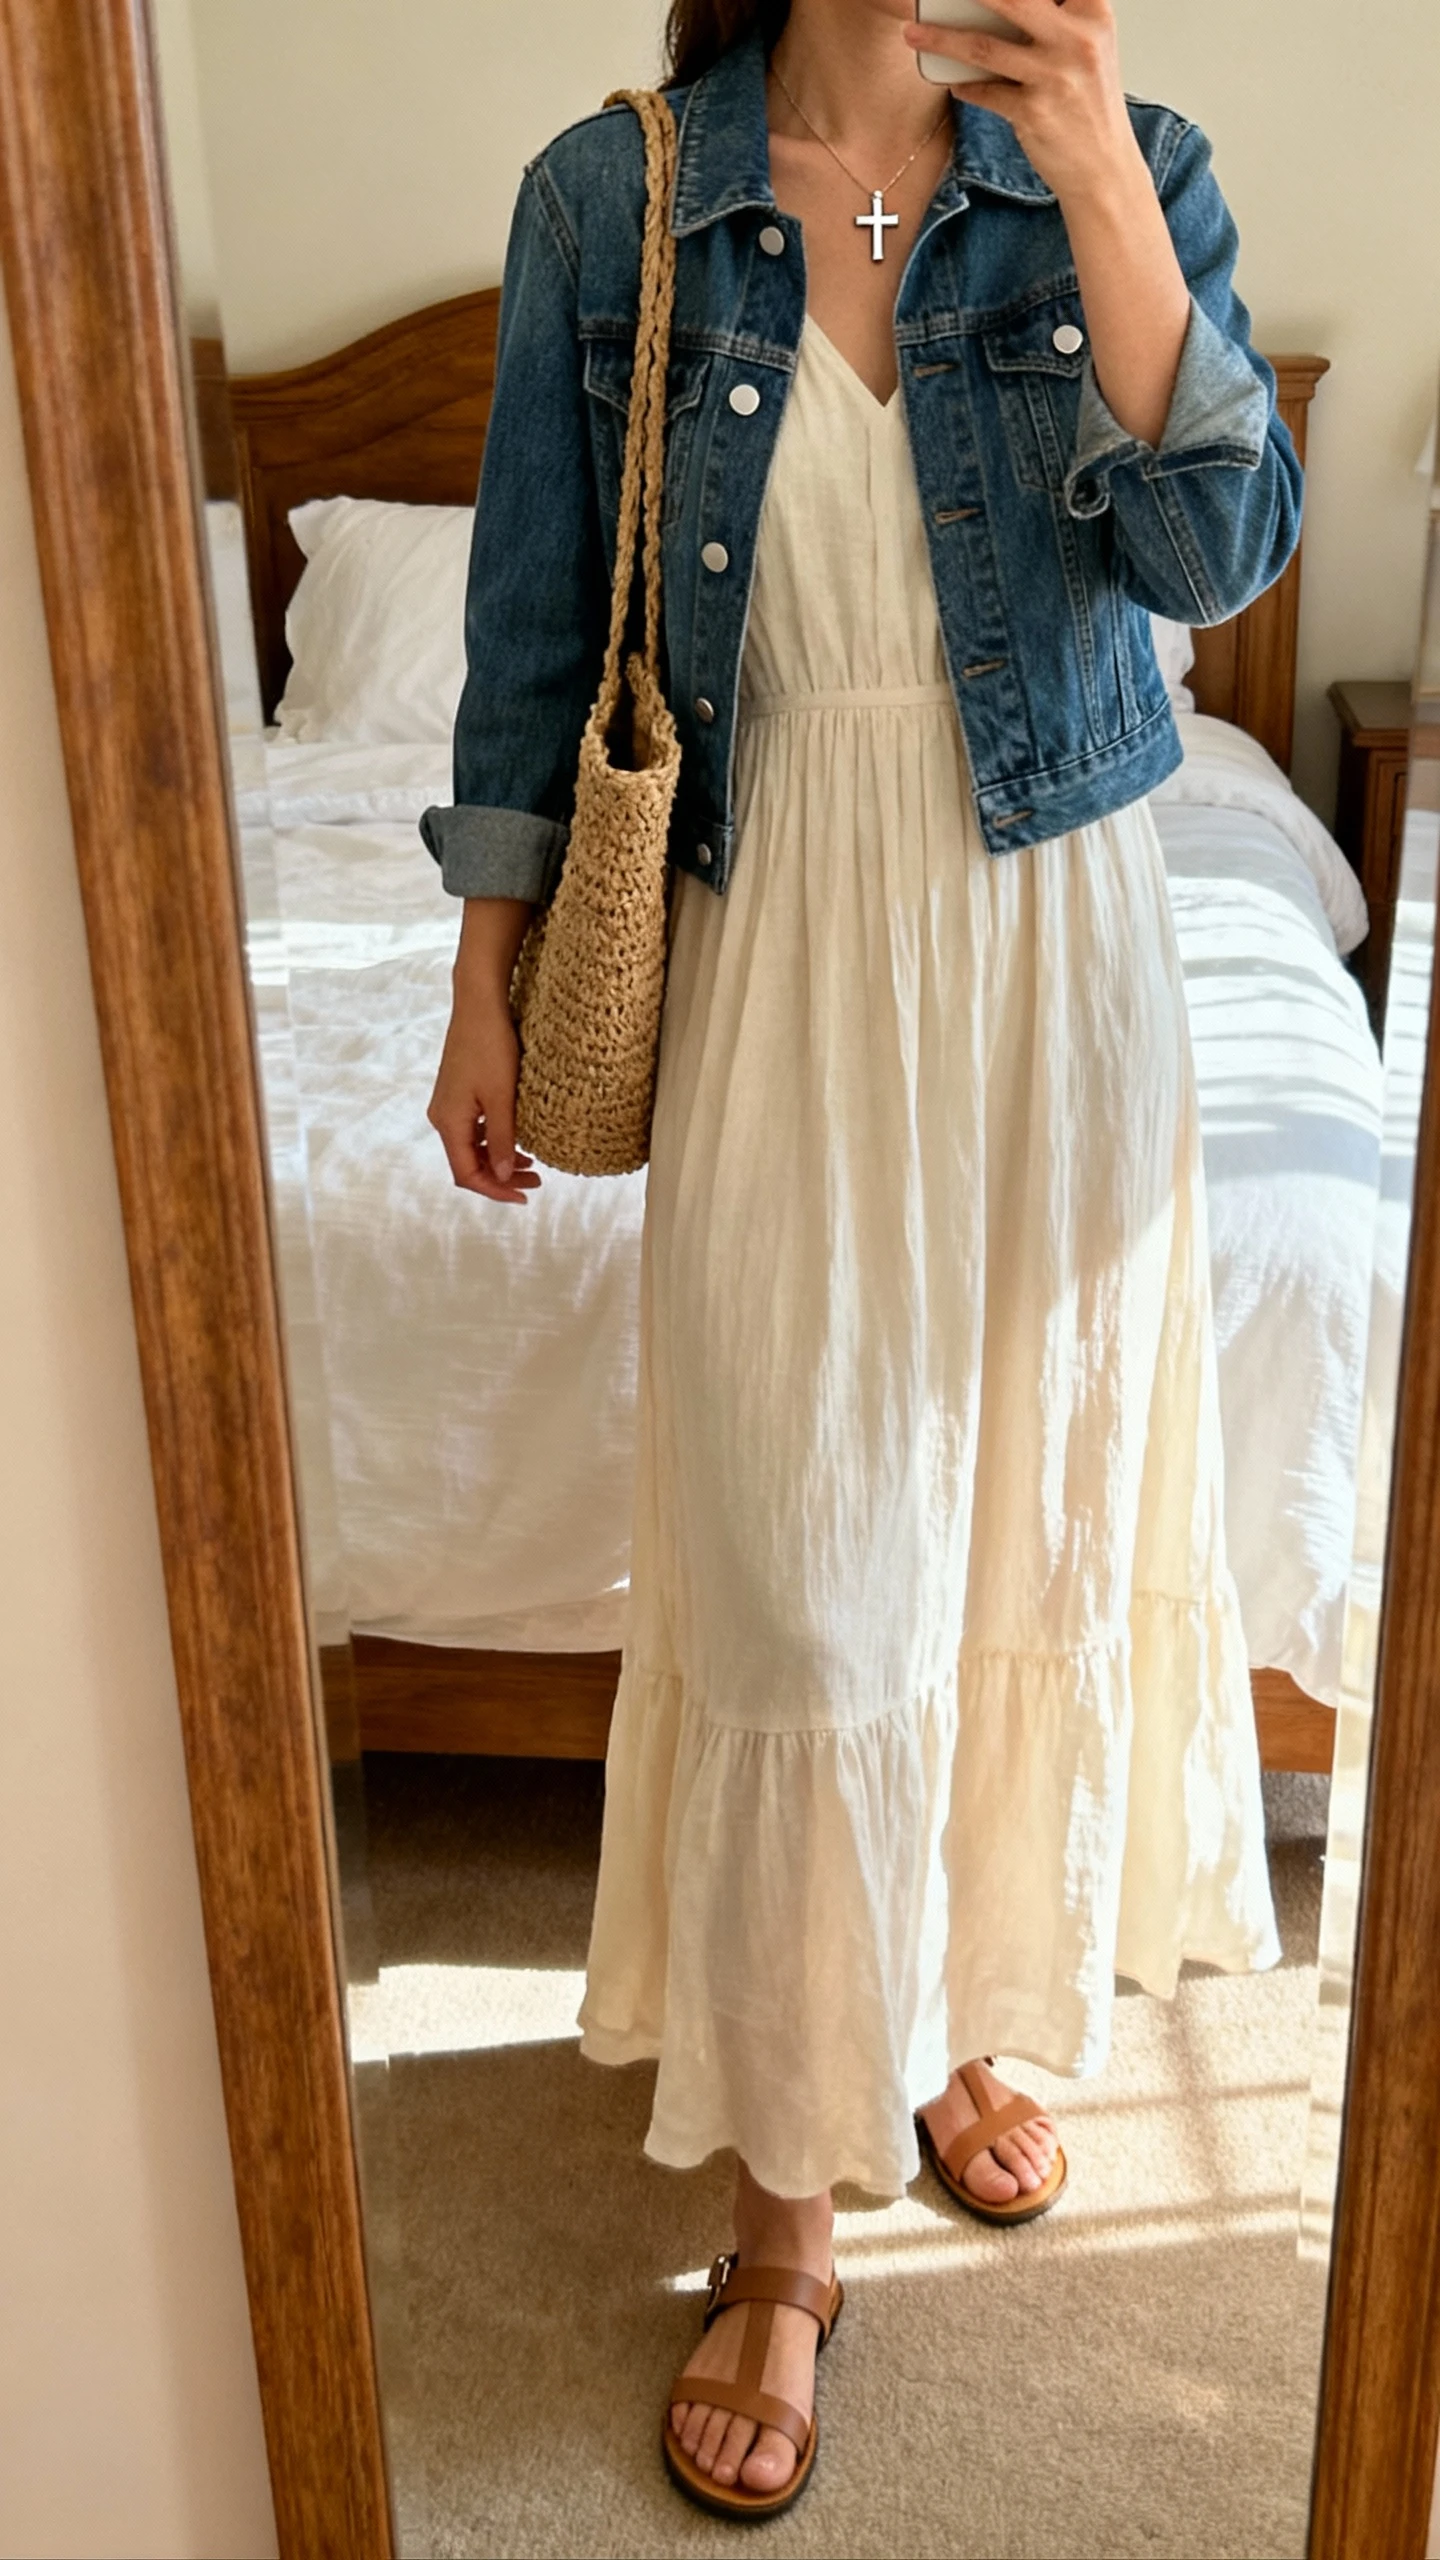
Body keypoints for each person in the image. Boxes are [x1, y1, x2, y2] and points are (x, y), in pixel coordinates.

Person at [422, 0, 1295, 2520]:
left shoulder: (1125, 172)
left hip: (1060, 950)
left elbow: (1223, 553)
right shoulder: (618, 201)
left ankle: (915, 2031)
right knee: (807, 1581)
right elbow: (521, 622)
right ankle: (783, 2229)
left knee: (1014, 1516)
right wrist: (485, 981)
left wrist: (1106, 171)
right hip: (780, 942)